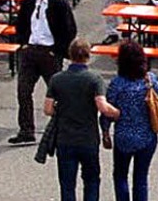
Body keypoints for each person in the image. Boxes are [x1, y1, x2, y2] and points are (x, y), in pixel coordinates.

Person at [45, 38, 120, 201]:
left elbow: (48, 109)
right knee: (91, 180)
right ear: (88, 56)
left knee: (67, 184)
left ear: (70, 55)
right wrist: (118, 113)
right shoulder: (94, 79)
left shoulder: (57, 79)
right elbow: (102, 106)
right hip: (88, 138)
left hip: (65, 139)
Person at [10, 0, 77, 146]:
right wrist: (23, 43)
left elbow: (70, 29)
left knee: (56, 94)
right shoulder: (29, 0)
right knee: (23, 91)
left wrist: (57, 51)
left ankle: (61, 130)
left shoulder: (59, 3)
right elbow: (20, 23)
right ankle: (26, 130)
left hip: (49, 53)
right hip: (30, 51)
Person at [101, 40, 158, 201]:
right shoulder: (149, 80)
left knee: (120, 176)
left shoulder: (117, 83)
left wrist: (105, 131)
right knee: (141, 179)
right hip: (147, 136)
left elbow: (108, 110)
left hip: (124, 136)